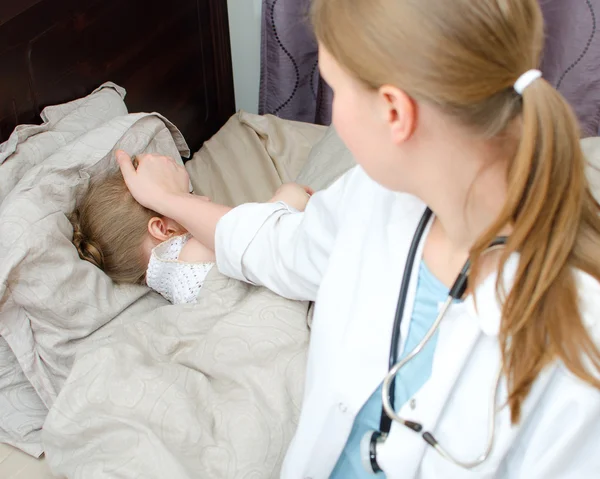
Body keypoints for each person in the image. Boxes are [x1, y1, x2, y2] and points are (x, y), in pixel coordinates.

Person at [116, 0, 600, 476]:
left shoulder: (580, 354)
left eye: (335, 88)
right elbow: (279, 247)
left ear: (394, 112)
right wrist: (173, 201)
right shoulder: (373, 200)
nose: (336, 116)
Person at [71, 166, 311, 303]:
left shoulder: (169, 281)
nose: (204, 200)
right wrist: (288, 195)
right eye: (189, 196)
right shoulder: (191, 252)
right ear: (163, 229)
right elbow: (258, 237)